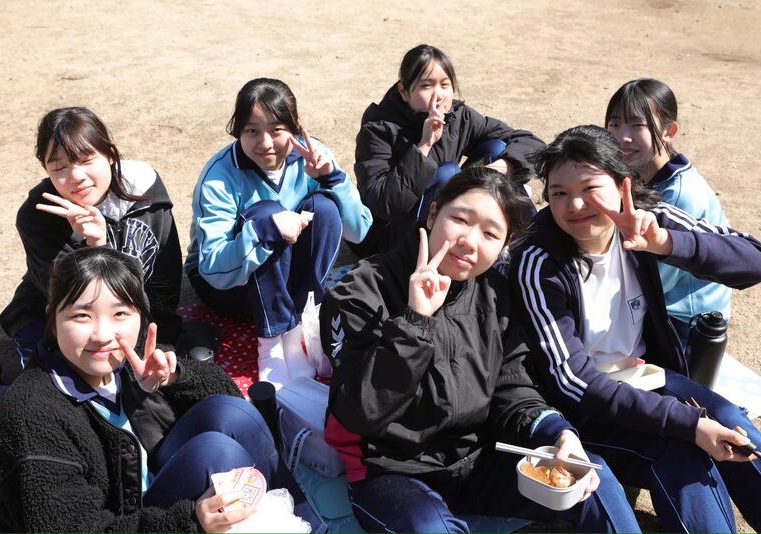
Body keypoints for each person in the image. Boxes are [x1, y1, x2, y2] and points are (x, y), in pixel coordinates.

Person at [321, 168, 641, 533]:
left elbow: (512, 386)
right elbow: (360, 412)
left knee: (592, 483)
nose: (470, 242)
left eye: (490, 233)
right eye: (460, 220)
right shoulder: (360, 291)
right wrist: (415, 320)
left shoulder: (495, 292)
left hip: (477, 459)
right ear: (433, 214)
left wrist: (556, 432)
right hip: (390, 469)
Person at [510, 124, 761, 532]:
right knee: (680, 452)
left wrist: (665, 243)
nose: (576, 205)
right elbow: (574, 382)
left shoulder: (644, 219)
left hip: (647, 377)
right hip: (584, 409)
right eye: (559, 193)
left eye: (590, 188)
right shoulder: (539, 261)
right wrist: (689, 424)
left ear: (621, 184)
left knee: (732, 420)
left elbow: (753, 257)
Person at [0, 247, 322, 532]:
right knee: (219, 453)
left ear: (140, 315)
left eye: (120, 313)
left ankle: (305, 522)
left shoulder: (128, 362)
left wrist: (174, 377)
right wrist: (190, 522)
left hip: (147, 491)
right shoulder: (32, 419)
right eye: (82, 316)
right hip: (123, 522)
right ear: (52, 316)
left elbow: (231, 399)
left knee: (231, 414)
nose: (102, 335)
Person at [0, 107, 184, 425]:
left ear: (110, 153)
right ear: (46, 170)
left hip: (124, 321)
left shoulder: (145, 190)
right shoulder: (38, 214)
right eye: (59, 168)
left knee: (154, 389)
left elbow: (164, 271)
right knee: (60, 409)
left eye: (85, 160)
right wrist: (94, 246)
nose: (76, 177)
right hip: (52, 321)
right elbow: (66, 302)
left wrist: (157, 338)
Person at [186, 78, 372, 389]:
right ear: (237, 130)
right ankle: (270, 342)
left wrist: (332, 178)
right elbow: (213, 271)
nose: (265, 143)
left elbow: (360, 232)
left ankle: (296, 329)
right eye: (251, 130)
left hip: (290, 287)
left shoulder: (313, 155)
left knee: (325, 207)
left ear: (295, 126)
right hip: (232, 290)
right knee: (266, 212)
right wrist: (266, 231)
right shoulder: (219, 175)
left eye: (276, 129)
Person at [352, 43, 545, 256]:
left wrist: (500, 167)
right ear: (404, 91)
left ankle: (527, 241)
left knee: (496, 148)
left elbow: (531, 143)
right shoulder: (378, 130)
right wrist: (424, 146)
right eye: (427, 86)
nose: (439, 95)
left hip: (444, 218)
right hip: (392, 238)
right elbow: (383, 204)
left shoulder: (458, 117)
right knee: (447, 174)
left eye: (445, 85)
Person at [606, 78, 730, 348]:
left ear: (669, 131)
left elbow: (656, 282)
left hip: (684, 321)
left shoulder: (681, 195)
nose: (622, 137)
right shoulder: (641, 170)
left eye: (637, 125)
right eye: (614, 125)